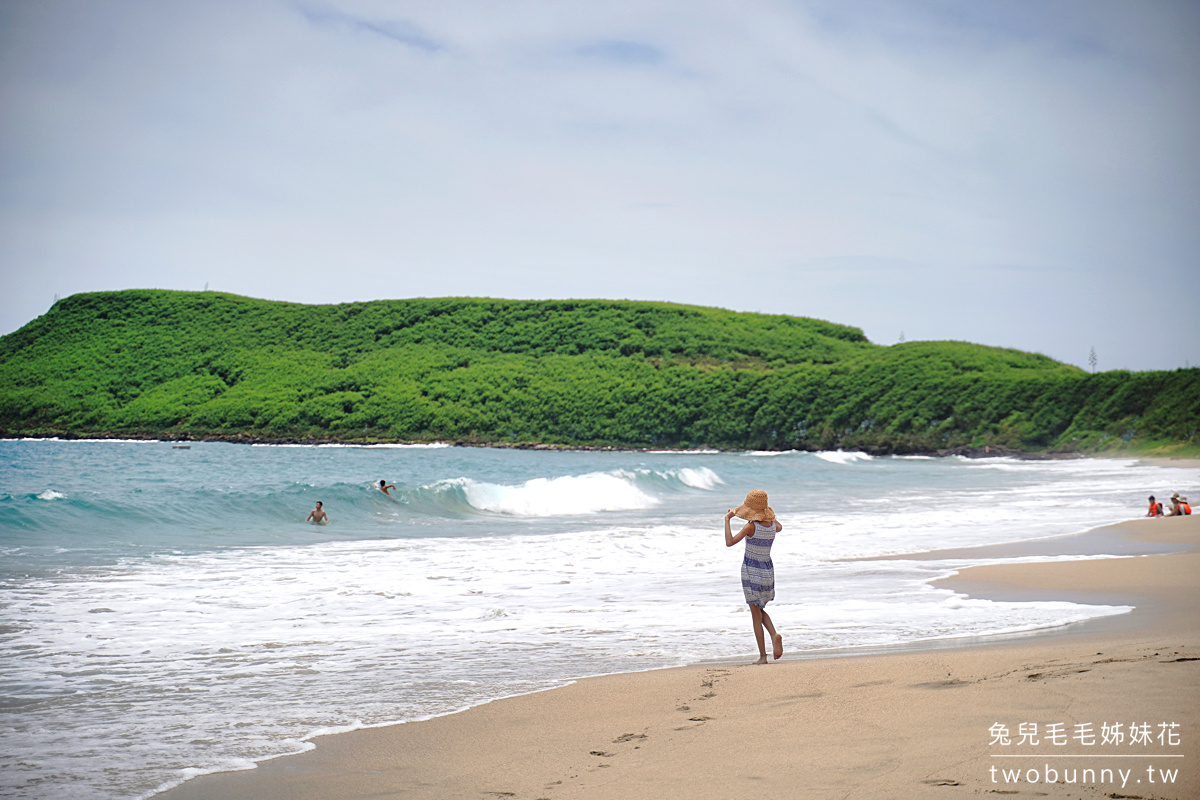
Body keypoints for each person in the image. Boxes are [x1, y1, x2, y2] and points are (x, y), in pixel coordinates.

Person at [724, 489, 784, 665]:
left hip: (751, 569)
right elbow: (778, 525)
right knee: (759, 608)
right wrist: (768, 515)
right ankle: (774, 635)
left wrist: (727, 520)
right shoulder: (773, 526)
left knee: (755, 615)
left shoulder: (751, 527)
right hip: (767, 570)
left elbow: (729, 542)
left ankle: (763, 656)